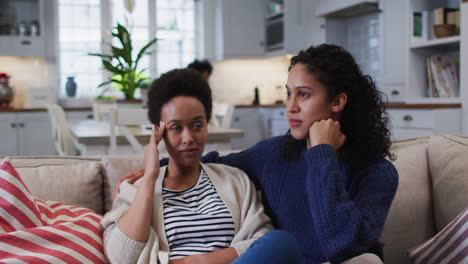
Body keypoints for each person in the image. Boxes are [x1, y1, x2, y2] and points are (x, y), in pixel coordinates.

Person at [116, 44, 399, 264]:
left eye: (303, 95)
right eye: (289, 94)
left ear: (338, 101)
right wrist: (157, 167)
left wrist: (322, 154)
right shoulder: (275, 154)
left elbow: (341, 245)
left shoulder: (378, 174)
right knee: (280, 243)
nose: (290, 107)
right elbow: (214, 162)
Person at [101, 69, 302, 264]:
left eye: (197, 125)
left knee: (282, 242)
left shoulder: (235, 180)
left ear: (207, 125)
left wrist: (197, 260)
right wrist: (151, 175)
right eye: (176, 128)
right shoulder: (137, 189)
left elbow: (262, 241)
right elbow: (121, 258)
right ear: (159, 132)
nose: (188, 138)